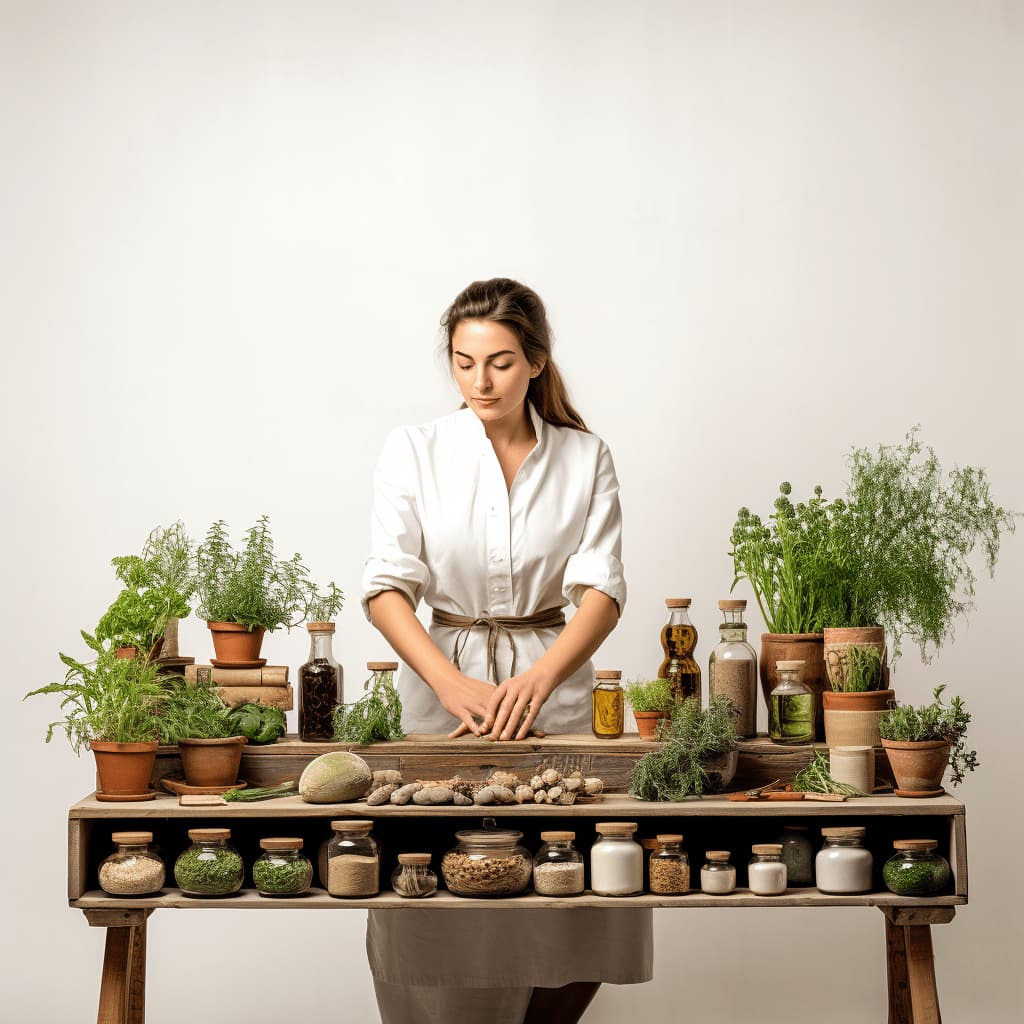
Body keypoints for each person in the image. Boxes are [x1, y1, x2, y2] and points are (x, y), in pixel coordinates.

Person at [361, 278, 653, 1024]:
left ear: (535, 362)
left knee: (580, 887)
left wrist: (541, 675)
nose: (480, 381)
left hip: (557, 695)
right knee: (439, 888)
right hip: (442, 697)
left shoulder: (585, 457)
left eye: (498, 362)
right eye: (463, 362)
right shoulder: (415, 451)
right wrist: (451, 683)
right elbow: (386, 587)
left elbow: (603, 590)